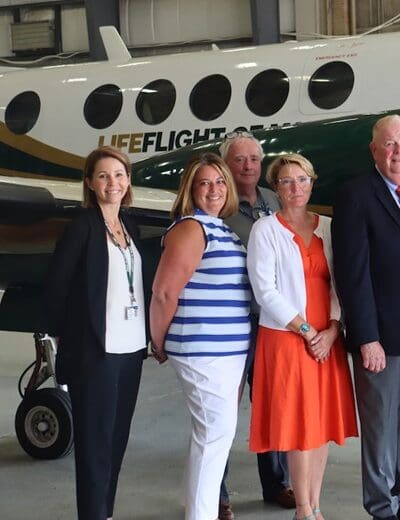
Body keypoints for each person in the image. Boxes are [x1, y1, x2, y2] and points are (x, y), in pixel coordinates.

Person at [332, 114, 400, 520]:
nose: (399, 151)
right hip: (383, 339)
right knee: (381, 426)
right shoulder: (357, 196)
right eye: (390, 144)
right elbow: (352, 272)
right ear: (374, 150)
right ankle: (382, 507)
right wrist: (366, 336)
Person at [247, 154, 359, 520]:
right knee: (300, 427)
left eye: (302, 180)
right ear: (275, 188)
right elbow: (265, 290)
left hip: (328, 336)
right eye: (286, 182)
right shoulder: (265, 229)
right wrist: (309, 331)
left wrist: (333, 328)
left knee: (322, 425)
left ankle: (315, 504)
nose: (295, 188)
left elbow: (342, 282)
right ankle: (302, 508)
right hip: (288, 338)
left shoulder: (328, 226)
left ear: (313, 183)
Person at [45, 146, 150, 520]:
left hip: (131, 349)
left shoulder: (129, 226)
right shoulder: (83, 226)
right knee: (95, 447)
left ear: (128, 181)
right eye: (104, 176)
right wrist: (66, 340)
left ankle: (104, 512)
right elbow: (56, 288)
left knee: (117, 442)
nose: (113, 183)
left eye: (119, 175)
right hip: (97, 352)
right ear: (90, 183)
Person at [150, 153, 250, 520]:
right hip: (201, 348)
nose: (214, 190)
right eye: (205, 183)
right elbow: (163, 292)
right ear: (191, 190)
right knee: (215, 434)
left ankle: (196, 509)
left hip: (227, 351)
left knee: (210, 437)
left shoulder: (221, 227)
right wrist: (159, 341)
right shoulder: (191, 227)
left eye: (220, 182)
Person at [218, 131, 293, 519]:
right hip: (229, 321)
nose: (248, 166)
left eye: (253, 159)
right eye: (239, 159)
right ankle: (217, 494)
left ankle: (276, 484)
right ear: (226, 164)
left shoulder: (273, 201)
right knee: (223, 410)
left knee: (269, 405)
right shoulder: (218, 202)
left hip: (268, 321)